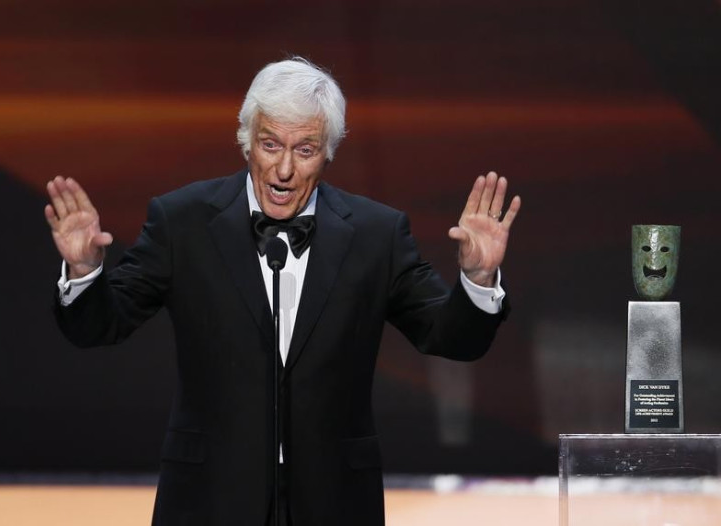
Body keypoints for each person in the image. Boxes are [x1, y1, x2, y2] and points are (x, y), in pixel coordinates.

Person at [45, 57, 520, 526]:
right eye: (270, 145)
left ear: (328, 152)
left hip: (334, 501)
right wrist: (85, 271)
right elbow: (101, 325)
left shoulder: (377, 233)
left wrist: (477, 280)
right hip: (210, 499)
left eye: (305, 149)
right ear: (246, 141)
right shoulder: (182, 221)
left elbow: (449, 337)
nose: (284, 169)